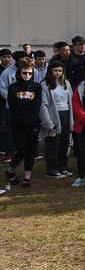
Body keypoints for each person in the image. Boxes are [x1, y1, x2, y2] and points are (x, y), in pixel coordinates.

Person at [5, 58, 44, 188]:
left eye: (30, 73)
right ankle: (10, 171)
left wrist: (31, 122)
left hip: (33, 124)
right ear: (19, 73)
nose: (27, 75)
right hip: (18, 124)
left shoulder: (37, 87)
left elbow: (36, 107)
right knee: (22, 150)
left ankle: (27, 177)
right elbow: (14, 107)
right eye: (24, 73)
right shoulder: (12, 88)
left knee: (31, 150)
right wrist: (23, 122)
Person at [39, 59, 73, 179]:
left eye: (60, 70)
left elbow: (71, 102)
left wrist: (71, 121)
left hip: (66, 114)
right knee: (53, 144)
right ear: (50, 71)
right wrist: (48, 124)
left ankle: (62, 167)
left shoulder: (66, 83)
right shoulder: (45, 85)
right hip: (53, 116)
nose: (57, 73)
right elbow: (43, 105)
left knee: (64, 143)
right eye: (55, 70)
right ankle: (52, 169)